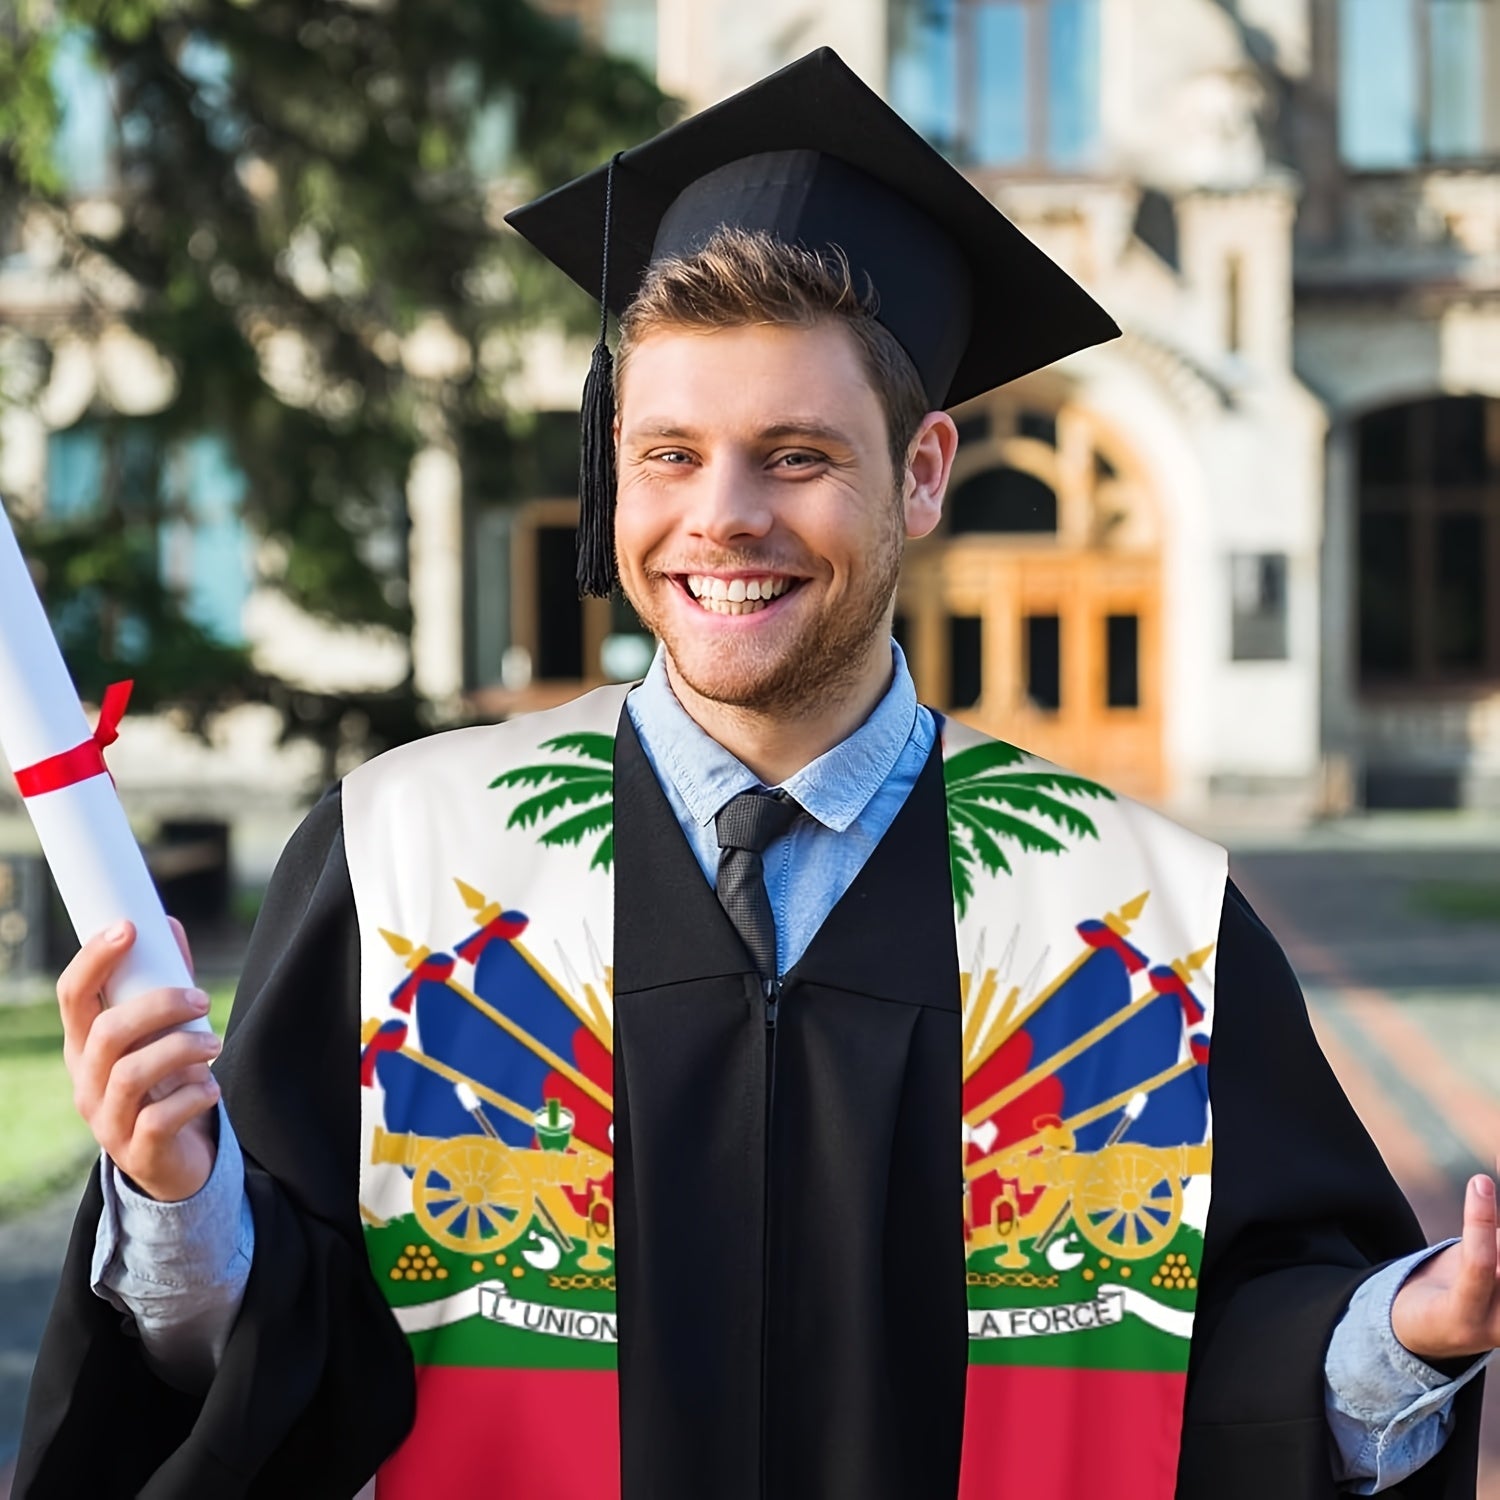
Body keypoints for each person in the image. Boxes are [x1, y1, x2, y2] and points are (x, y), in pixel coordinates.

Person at [14, 47, 1495, 1500]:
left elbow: (1231, 1351)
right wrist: (174, 1202)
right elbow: (287, 1361)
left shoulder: (1135, 907)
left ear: (923, 473)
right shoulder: (412, 863)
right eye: (666, 455)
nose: (718, 519)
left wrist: (1403, 1335)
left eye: (794, 457)